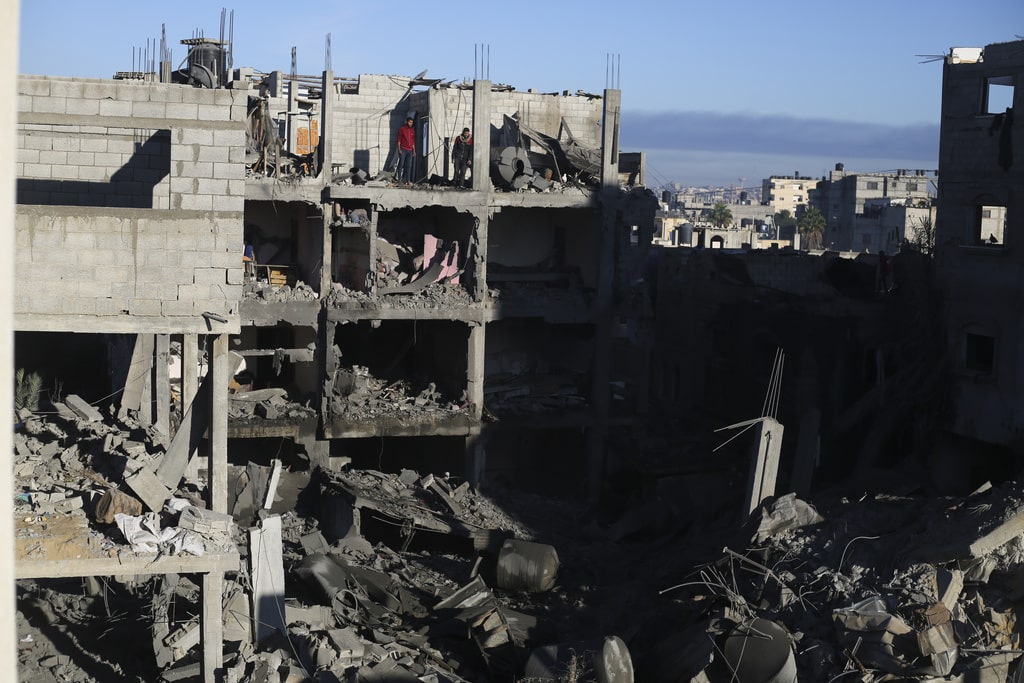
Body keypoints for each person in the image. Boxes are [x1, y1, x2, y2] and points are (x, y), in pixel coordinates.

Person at [395, 116, 416, 185]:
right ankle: (399, 179)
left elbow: (413, 141)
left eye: (412, 122)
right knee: (401, 164)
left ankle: (408, 180)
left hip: (410, 150)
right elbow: (399, 140)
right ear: (407, 122)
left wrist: (414, 151)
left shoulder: (412, 130)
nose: (411, 124)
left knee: (409, 165)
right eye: (410, 122)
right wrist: (399, 149)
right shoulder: (402, 129)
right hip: (403, 149)